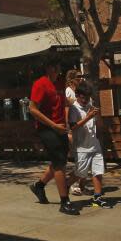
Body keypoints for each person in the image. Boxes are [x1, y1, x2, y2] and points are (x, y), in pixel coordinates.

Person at [28, 58, 79, 216]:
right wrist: (53, 125)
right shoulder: (40, 84)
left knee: (59, 161)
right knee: (60, 164)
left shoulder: (59, 84)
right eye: (57, 68)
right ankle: (64, 202)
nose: (59, 71)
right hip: (47, 129)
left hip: (60, 128)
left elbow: (63, 103)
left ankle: (39, 185)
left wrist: (79, 101)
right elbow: (32, 109)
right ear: (50, 68)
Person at [67, 81, 112, 208]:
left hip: (94, 144)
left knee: (98, 171)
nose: (85, 100)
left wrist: (98, 117)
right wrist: (87, 117)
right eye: (83, 97)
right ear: (77, 95)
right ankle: (65, 186)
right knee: (80, 173)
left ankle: (97, 197)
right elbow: (73, 127)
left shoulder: (90, 106)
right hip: (82, 147)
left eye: (88, 97)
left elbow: (99, 126)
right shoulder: (74, 109)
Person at [63, 70, 90, 196]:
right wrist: (69, 129)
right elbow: (68, 110)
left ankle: (81, 186)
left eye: (82, 76)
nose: (81, 79)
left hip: (84, 129)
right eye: (79, 77)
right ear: (72, 79)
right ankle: (72, 184)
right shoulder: (69, 91)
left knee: (86, 159)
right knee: (80, 160)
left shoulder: (80, 90)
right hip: (74, 129)